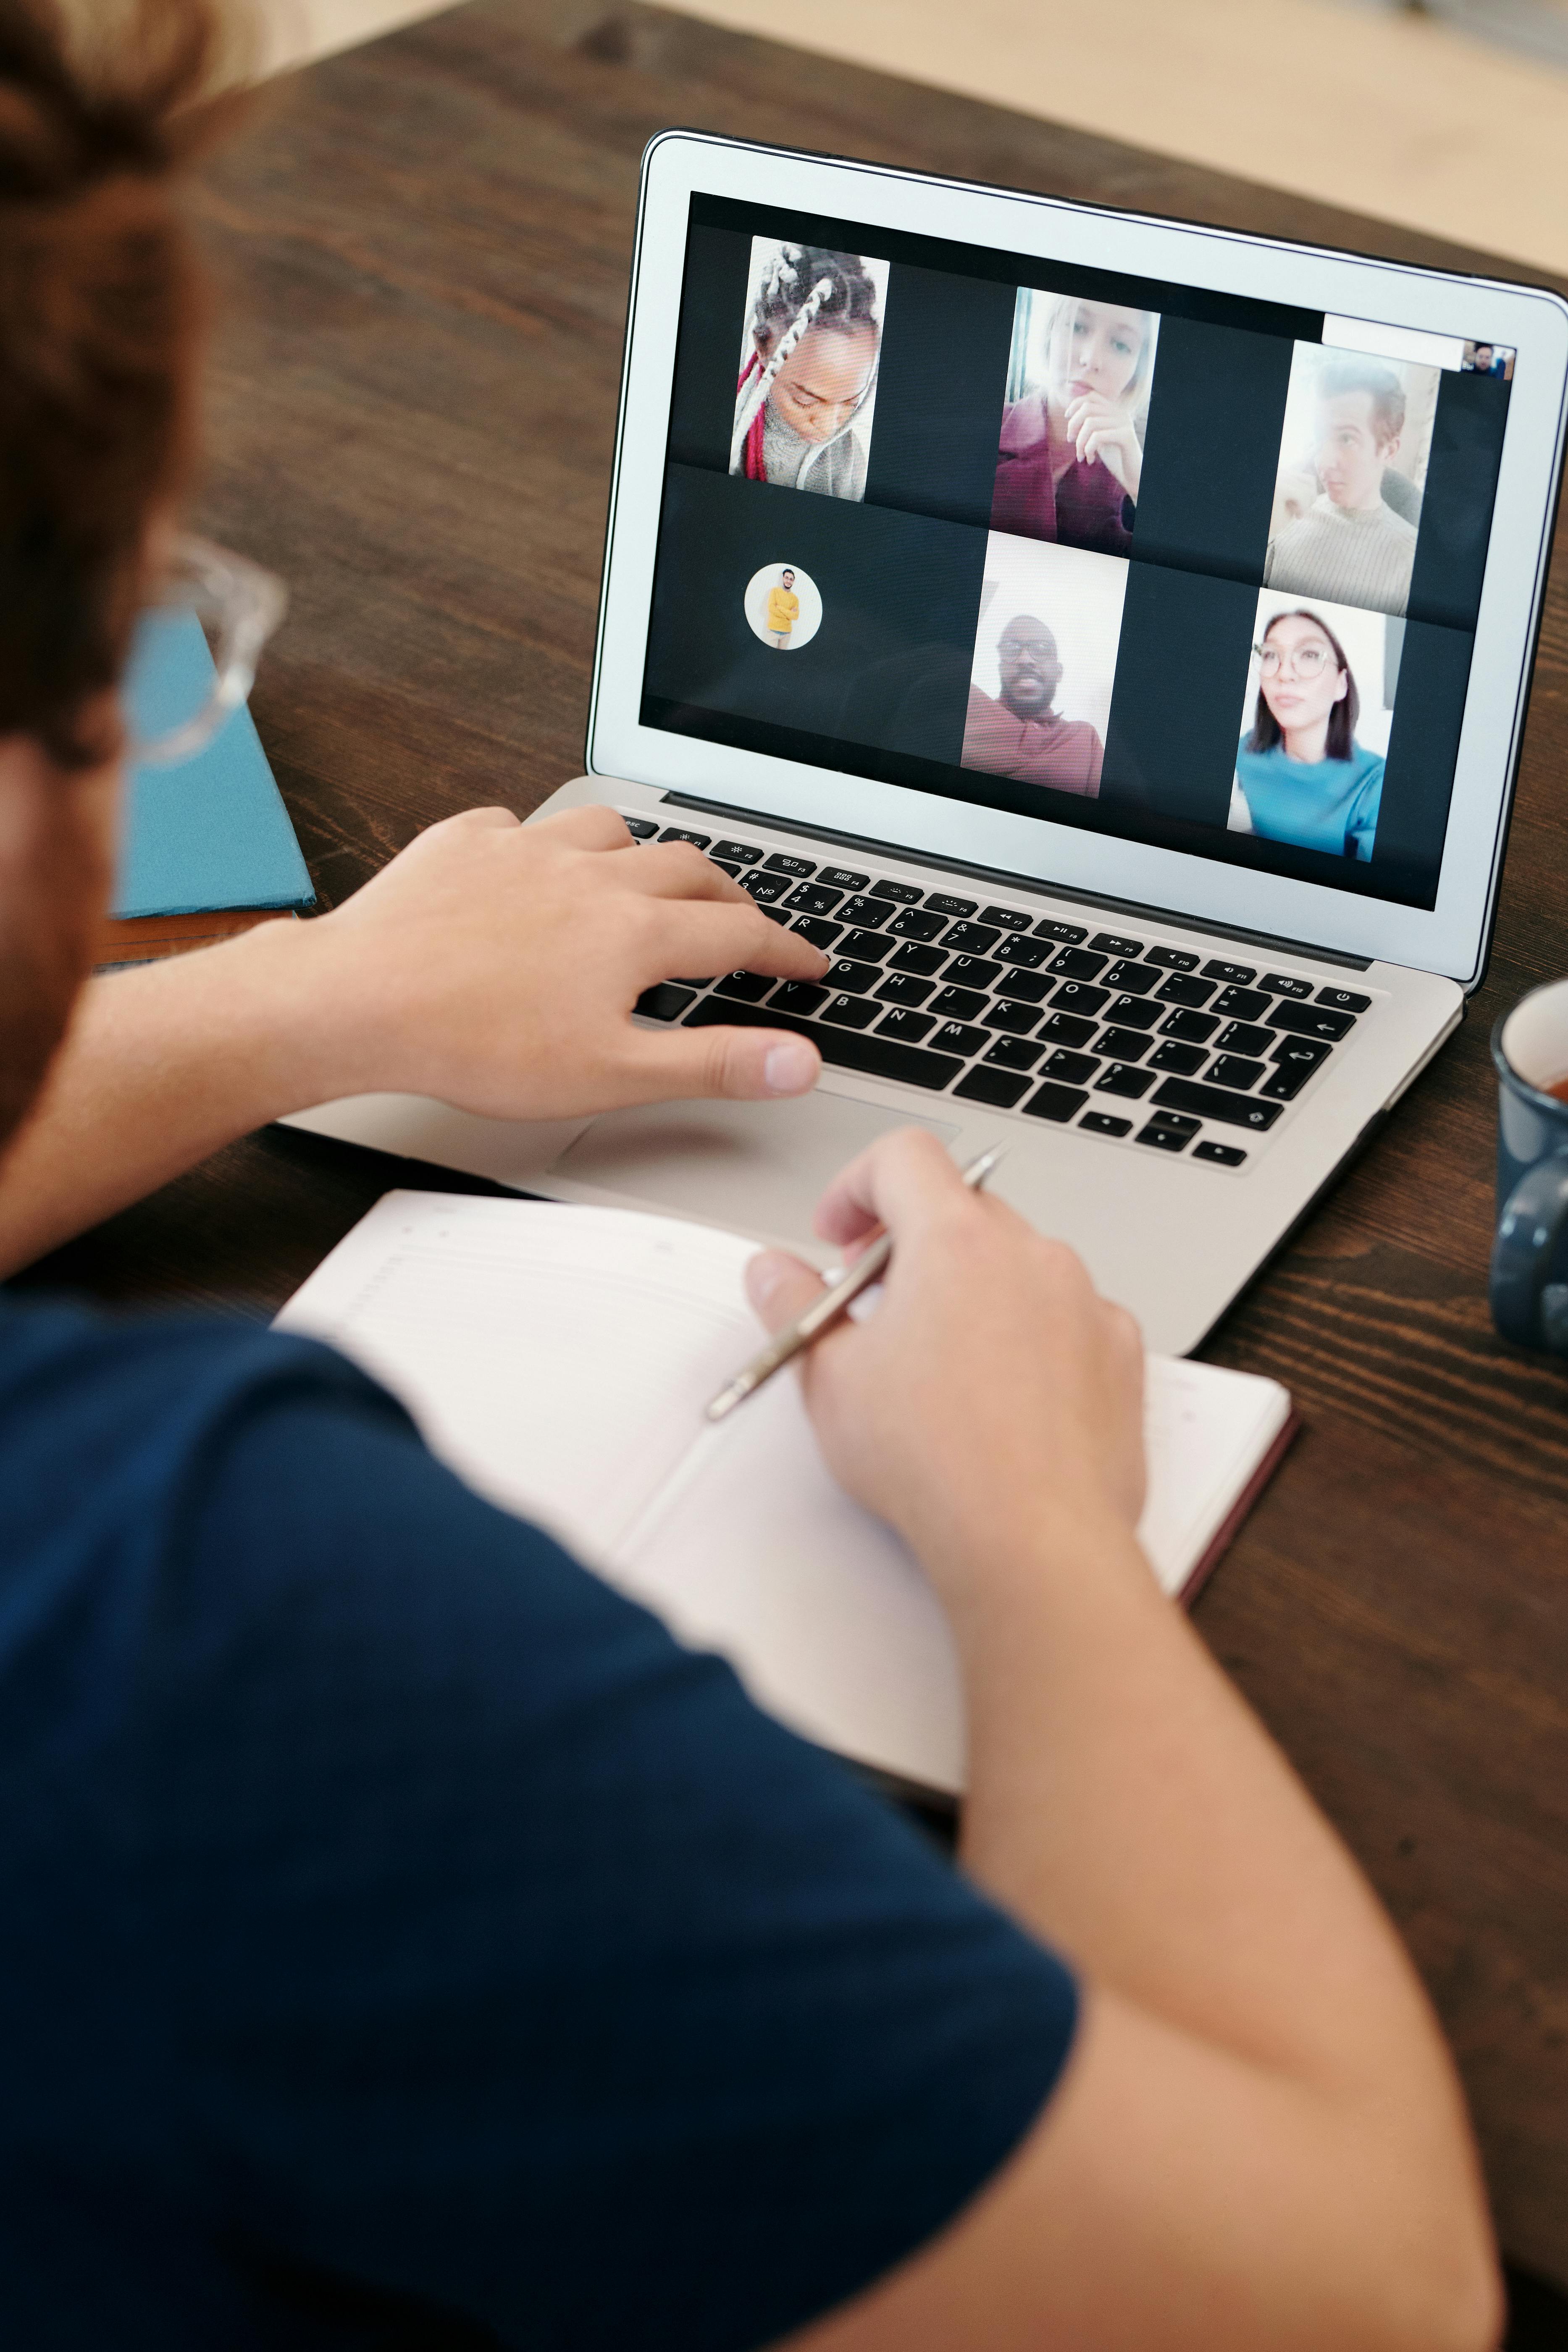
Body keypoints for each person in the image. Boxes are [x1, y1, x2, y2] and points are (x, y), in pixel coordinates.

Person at [0, 8, 1503, 2348]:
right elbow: (1359, 2291)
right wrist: (1026, 1532)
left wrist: (307, 999)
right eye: (138, 623)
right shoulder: (205, 1627)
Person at [991, 294, 1155, 555]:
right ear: (1050, 334)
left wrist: (1139, 486)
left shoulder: (1136, 473)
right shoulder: (984, 426)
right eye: (1078, 327)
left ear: (1137, 372)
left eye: (1121, 345)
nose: (1091, 359)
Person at [1264, 356, 1420, 619]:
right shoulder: (1286, 517)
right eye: (1320, 437)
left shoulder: (1412, 562)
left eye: (1347, 439)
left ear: (1389, 451)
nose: (1323, 461)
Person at [1229, 609, 1384, 859]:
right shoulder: (1240, 754)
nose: (1285, 674)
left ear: (1341, 684)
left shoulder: (1375, 783)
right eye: (1270, 655)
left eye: (1310, 655)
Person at [731, 245, 880, 499]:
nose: (828, 426)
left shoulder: (849, 461)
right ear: (764, 345)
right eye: (805, 401)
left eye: (850, 403)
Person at [960, 613, 1103, 794]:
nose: (1025, 660)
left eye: (1042, 649)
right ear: (1001, 669)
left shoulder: (1085, 737)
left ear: (1058, 672)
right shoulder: (968, 706)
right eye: (1011, 648)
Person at [767, 565, 800, 648]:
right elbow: (771, 608)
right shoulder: (775, 591)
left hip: (787, 633)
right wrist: (788, 615)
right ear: (783, 578)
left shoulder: (795, 599)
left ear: (793, 581)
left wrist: (780, 608)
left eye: (791, 579)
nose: (788, 581)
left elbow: (795, 616)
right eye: (787, 578)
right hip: (773, 631)